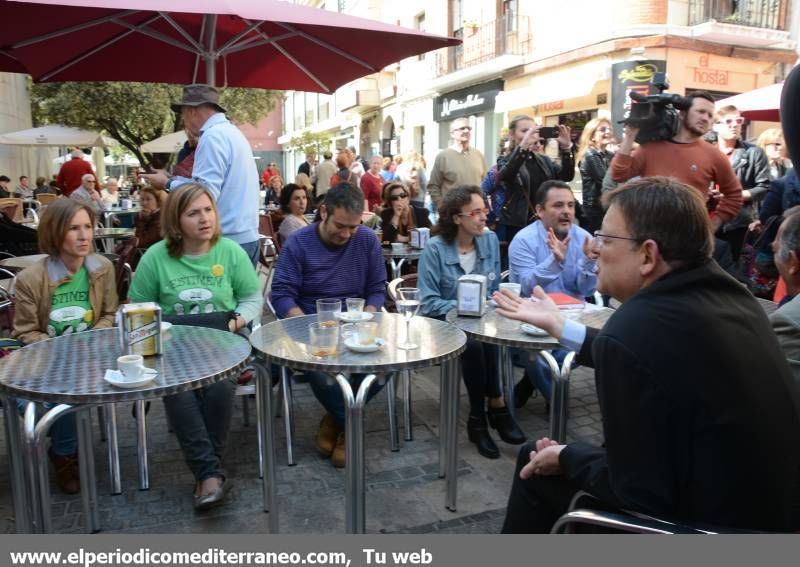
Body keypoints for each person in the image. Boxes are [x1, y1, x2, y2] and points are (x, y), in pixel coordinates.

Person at [496, 176, 800, 533]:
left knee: (534, 462)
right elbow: (653, 354)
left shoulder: (634, 329)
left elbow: (638, 492)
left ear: (648, 254)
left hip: (702, 527)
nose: (593, 248)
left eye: (607, 239)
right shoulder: (732, 297)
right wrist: (559, 326)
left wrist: (566, 455)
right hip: (768, 515)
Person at [129, 183, 262, 510]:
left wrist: (235, 323)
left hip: (225, 340)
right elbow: (137, 307)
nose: (205, 219)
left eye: (208, 210)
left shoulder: (230, 252)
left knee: (218, 386)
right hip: (175, 348)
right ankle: (211, 473)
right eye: (193, 213)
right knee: (180, 388)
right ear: (176, 220)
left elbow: (252, 298)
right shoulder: (156, 258)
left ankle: (207, 475)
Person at [270, 183, 386, 468]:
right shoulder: (299, 243)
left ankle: (336, 420)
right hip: (312, 326)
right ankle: (351, 427)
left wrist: (368, 317)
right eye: (341, 226)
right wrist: (308, 328)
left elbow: (377, 288)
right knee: (322, 370)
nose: (346, 234)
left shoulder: (367, 240)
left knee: (388, 367)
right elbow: (282, 293)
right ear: (323, 211)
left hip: (357, 325)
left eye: (354, 227)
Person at [12, 198, 118, 494]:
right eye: (74, 229)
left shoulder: (102, 268)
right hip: (46, 361)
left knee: (68, 392)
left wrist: (88, 341)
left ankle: (63, 453)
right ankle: (64, 452)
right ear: (55, 233)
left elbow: (110, 314)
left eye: (88, 227)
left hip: (94, 358)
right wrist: (63, 352)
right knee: (46, 397)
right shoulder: (31, 279)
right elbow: (25, 331)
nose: (85, 236)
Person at [417, 185, 526, 459]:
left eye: (484, 210)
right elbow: (428, 302)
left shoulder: (488, 241)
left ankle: (491, 410)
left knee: (487, 336)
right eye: (475, 212)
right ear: (456, 218)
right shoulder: (435, 248)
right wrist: (470, 307)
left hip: (479, 320)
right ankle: (485, 414)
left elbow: (493, 289)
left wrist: (491, 304)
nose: (483, 218)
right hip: (441, 322)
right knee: (475, 342)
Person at [145, 84, 261, 267]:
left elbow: (203, 194)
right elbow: (209, 186)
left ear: (191, 111)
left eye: (182, 113)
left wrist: (167, 183)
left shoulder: (212, 136)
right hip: (245, 237)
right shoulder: (232, 132)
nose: (183, 120)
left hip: (226, 240)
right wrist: (173, 179)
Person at [508, 180, 598, 406]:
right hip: (532, 323)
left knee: (589, 347)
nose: (566, 211)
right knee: (536, 356)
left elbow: (587, 290)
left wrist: (588, 262)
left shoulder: (583, 237)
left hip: (573, 320)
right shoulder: (523, 240)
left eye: (570, 205)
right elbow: (525, 288)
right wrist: (554, 261)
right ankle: (558, 403)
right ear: (539, 211)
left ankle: (532, 382)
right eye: (558, 205)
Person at [610, 90, 743, 232]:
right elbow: (618, 174)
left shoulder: (715, 155)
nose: (705, 118)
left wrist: (711, 227)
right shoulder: (649, 148)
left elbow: (734, 195)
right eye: (700, 112)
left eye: (710, 115)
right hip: (649, 231)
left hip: (689, 236)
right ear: (682, 114)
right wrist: (630, 135)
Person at [498, 115, 575, 243]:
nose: (530, 135)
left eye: (533, 130)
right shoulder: (505, 160)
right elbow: (505, 176)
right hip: (520, 225)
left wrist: (567, 149)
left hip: (546, 222)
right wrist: (523, 147)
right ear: (512, 134)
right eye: (524, 131)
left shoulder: (543, 159)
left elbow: (566, 177)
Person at [713, 105, 771, 261]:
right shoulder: (705, 150)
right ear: (715, 126)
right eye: (729, 121)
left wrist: (732, 196)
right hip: (706, 219)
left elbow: (765, 187)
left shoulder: (754, 152)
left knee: (731, 269)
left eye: (739, 120)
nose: (735, 124)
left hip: (737, 223)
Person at [427, 118, 486, 207]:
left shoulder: (478, 155)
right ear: (452, 134)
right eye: (462, 128)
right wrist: (442, 206)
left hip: (475, 213)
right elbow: (433, 186)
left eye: (469, 128)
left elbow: (485, 183)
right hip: (452, 213)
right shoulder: (443, 156)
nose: (466, 131)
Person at [575, 117, 615, 234]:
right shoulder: (590, 155)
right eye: (602, 129)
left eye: (609, 129)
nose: (607, 132)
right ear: (592, 136)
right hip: (594, 209)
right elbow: (606, 181)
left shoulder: (608, 154)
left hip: (605, 206)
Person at [134, 185, 166, 250]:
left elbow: (140, 243)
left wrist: (142, 221)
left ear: (158, 200)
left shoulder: (160, 218)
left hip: (150, 256)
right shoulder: (149, 215)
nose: (144, 203)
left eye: (148, 199)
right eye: (142, 199)